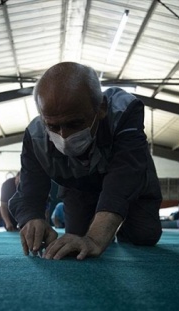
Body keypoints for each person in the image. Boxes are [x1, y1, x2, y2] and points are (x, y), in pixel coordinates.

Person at [9, 62, 162, 260]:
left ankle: (118, 226)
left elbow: (125, 175)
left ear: (101, 108)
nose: (64, 136)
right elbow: (29, 190)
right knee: (77, 237)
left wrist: (96, 238)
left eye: (75, 123)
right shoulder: (35, 135)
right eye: (54, 127)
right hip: (79, 186)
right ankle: (103, 224)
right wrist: (32, 219)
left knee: (144, 236)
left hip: (129, 178)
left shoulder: (123, 110)